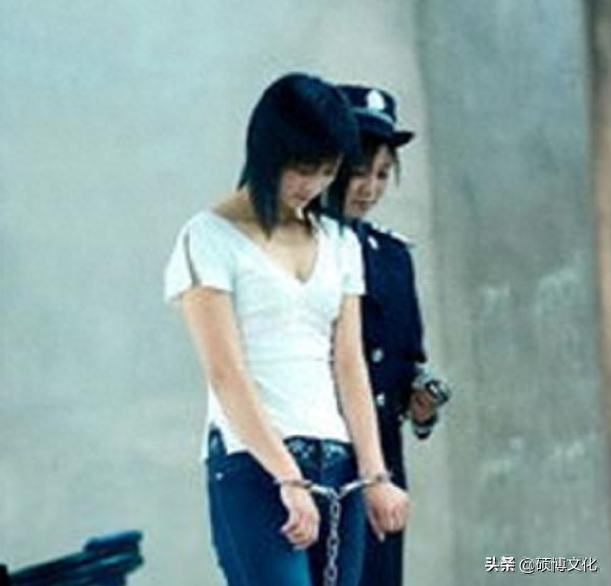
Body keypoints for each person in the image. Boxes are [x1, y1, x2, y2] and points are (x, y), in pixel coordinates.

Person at [163, 73, 409, 586]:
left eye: (327, 171)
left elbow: (349, 366)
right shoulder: (208, 237)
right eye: (302, 168)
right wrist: (287, 476)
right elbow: (226, 372)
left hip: (339, 467)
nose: (313, 185)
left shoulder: (339, 242)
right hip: (253, 464)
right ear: (268, 151)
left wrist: (375, 474)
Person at [330, 84, 452, 586]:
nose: (370, 188)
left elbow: (404, 360)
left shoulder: (394, 256)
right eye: (360, 171)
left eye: (382, 174)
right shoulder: (301, 249)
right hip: (325, 462)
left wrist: (422, 405)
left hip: (383, 461)